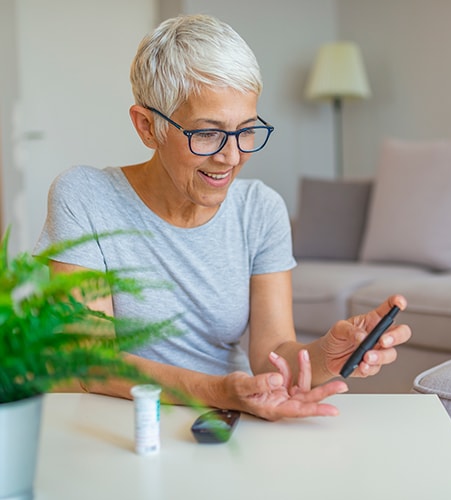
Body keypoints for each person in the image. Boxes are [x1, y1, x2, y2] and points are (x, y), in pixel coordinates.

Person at [34, 14, 411, 421]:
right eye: (207, 133)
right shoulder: (85, 197)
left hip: (222, 423)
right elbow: (91, 363)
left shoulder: (260, 209)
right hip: (116, 423)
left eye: (246, 130)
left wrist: (326, 356)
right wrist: (219, 390)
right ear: (147, 127)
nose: (231, 157)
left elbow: (274, 358)